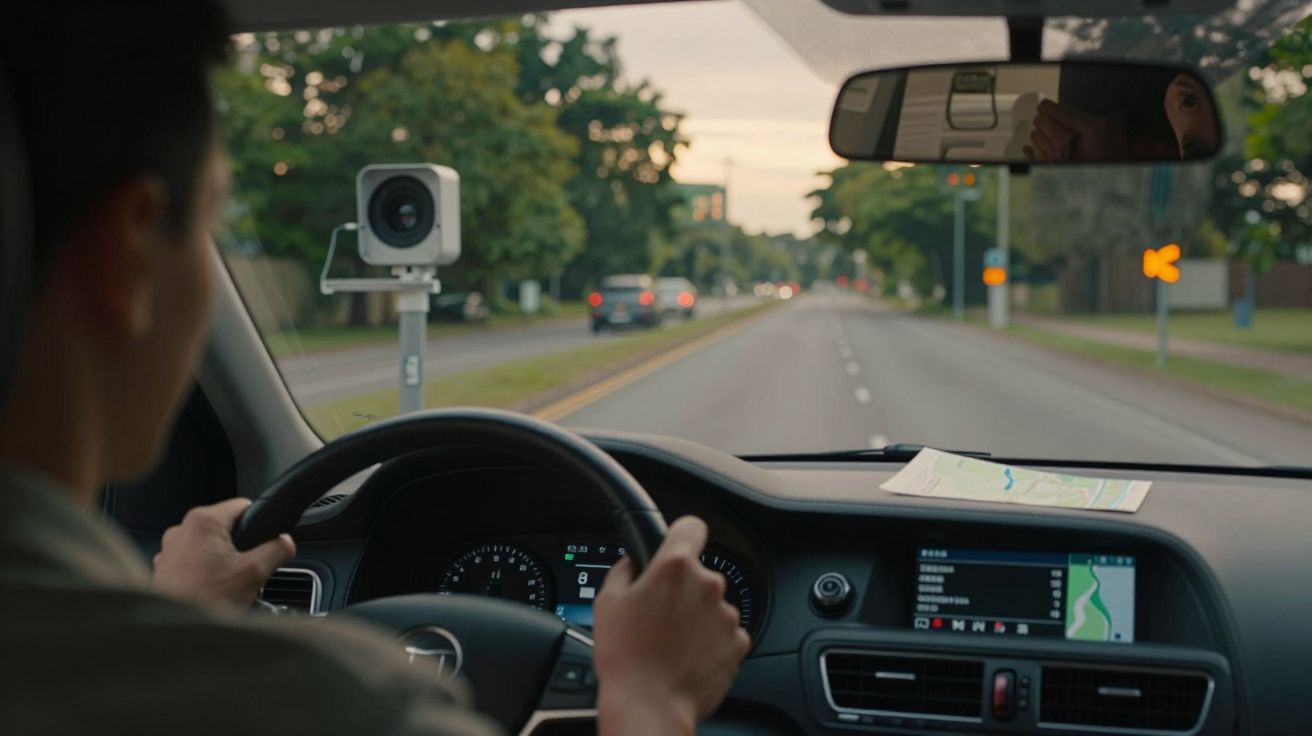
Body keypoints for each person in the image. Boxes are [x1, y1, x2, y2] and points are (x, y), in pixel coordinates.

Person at [0, 2, 749, 734]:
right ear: (127, 259)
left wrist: (178, 619)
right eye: (210, 222)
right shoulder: (334, 702)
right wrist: (651, 696)